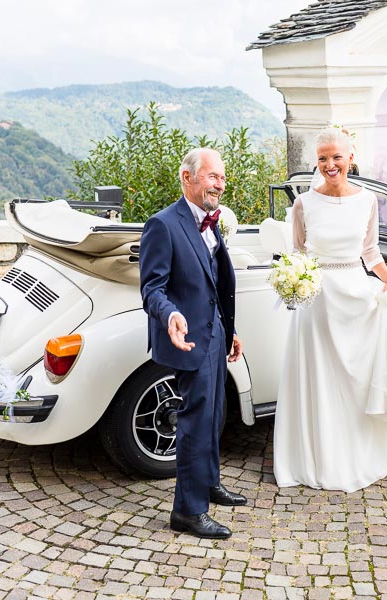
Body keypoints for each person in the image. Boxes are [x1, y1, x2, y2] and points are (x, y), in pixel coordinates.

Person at [273, 127, 387, 492]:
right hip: (318, 301)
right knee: (320, 380)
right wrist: (293, 279)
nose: (330, 164)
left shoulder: (367, 201)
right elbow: (298, 255)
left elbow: (370, 252)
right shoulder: (303, 204)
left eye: (336, 157)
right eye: (323, 158)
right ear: (317, 161)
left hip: (356, 298)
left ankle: (356, 453)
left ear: (350, 158)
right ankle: (317, 457)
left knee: (355, 382)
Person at [139, 148, 246, 539]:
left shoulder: (210, 221)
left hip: (214, 333)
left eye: (222, 177)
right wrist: (170, 316)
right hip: (187, 339)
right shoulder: (163, 225)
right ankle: (187, 510)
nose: (219, 183)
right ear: (187, 177)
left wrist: (228, 328)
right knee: (194, 422)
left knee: (215, 415)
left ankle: (210, 483)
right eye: (212, 176)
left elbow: (213, 284)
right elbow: (152, 289)